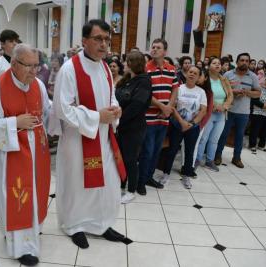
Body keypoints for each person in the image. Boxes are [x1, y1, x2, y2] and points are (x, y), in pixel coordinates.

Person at [49, 19, 126, 249]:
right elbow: (62, 109)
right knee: (77, 184)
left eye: (106, 39)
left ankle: (100, 224)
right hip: (77, 140)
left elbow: (110, 95)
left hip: (103, 137)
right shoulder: (70, 69)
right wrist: (96, 117)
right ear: (84, 41)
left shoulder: (104, 66)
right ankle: (74, 225)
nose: (104, 44)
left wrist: (115, 109)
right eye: (98, 39)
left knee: (105, 183)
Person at [0, 44, 50, 266]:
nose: (34, 72)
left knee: (35, 192)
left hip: (38, 152)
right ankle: (20, 246)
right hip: (12, 155)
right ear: (14, 64)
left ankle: (33, 232)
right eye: (29, 66)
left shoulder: (38, 85)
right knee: (17, 196)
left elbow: (47, 110)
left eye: (37, 65)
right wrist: (14, 122)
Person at [137, 38, 178, 195]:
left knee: (156, 151)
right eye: (153, 47)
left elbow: (174, 89)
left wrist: (169, 108)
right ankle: (141, 181)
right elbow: (145, 93)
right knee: (147, 151)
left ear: (165, 51)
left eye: (158, 47)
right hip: (149, 118)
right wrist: (162, 106)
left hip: (164, 118)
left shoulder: (171, 69)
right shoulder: (145, 69)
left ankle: (149, 177)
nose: (154, 49)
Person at [156, 66, 207, 189]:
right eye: (190, 72)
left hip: (192, 127)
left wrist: (192, 123)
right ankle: (166, 174)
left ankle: (186, 176)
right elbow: (172, 106)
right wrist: (182, 122)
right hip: (177, 125)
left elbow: (203, 110)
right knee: (172, 150)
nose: (192, 74)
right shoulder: (178, 89)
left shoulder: (201, 92)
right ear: (186, 73)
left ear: (199, 76)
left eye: (195, 73)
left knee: (189, 152)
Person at [115, 51, 152, 204]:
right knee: (121, 158)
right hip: (121, 126)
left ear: (133, 63)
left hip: (133, 127)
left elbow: (137, 105)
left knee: (130, 159)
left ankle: (131, 190)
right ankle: (121, 185)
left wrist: (118, 119)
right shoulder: (128, 80)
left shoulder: (144, 81)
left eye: (126, 61)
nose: (123, 64)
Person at [214, 53, 261, 168]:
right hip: (228, 110)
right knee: (223, 134)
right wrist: (233, 92)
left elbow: (258, 93)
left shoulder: (253, 76)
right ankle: (218, 155)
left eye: (246, 61)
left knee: (240, 136)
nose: (244, 62)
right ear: (237, 62)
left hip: (243, 112)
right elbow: (220, 90)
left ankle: (236, 158)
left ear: (249, 63)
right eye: (242, 60)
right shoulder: (228, 74)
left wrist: (247, 93)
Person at [196, 57, 233, 171]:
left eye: (219, 63)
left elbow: (230, 96)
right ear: (209, 66)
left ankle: (209, 161)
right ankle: (197, 159)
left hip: (221, 114)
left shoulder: (224, 79)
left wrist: (224, 106)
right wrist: (213, 105)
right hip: (208, 113)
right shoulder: (205, 79)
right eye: (214, 63)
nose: (217, 65)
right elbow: (201, 94)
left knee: (214, 139)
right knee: (203, 138)